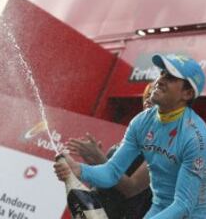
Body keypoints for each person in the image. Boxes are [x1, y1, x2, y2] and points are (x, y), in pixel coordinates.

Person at [55, 54, 206, 218]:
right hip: (159, 208)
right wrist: (79, 170)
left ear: (187, 94)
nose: (160, 80)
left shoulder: (195, 136)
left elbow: (183, 204)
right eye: (162, 74)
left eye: (171, 78)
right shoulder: (141, 122)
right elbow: (111, 173)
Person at [66, 83, 154, 219]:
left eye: (156, 95)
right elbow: (107, 181)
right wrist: (94, 163)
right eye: (148, 95)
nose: (149, 100)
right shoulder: (133, 135)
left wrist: (100, 159)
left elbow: (131, 188)